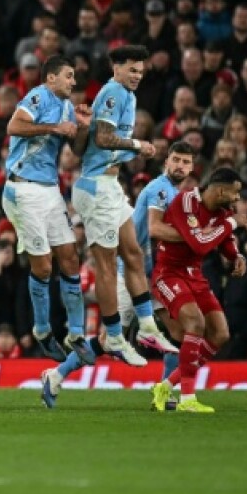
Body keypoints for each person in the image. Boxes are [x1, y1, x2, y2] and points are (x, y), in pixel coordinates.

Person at [42, 141, 194, 408]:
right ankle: (56, 375)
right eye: (176, 160)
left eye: (186, 162)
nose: (180, 166)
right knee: (110, 340)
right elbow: (155, 230)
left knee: (179, 333)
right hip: (131, 276)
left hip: (155, 276)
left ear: (192, 167)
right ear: (166, 161)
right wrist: (197, 237)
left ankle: (163, 391)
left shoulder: (175, 193)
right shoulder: (160, 189)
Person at [70, 45, 175, 367]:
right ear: (116, 68)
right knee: (105, 264)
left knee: (134, 252)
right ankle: (113, 335)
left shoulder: (127, 96)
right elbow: (103, 138)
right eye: (131, 69)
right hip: (95, 187)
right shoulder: (113, 92)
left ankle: (145, 326)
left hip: (110, 186)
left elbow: (84, 144)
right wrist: (137, 145)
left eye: (140, 71)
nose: (136, 76)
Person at [2, 55, 94, 363]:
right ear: (51, 78)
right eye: (68, 76)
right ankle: (42, 331)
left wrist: (81, 127)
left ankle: (77, 334)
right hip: (23, 187)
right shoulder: (39, 96)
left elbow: (77, 151)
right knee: (43, 267)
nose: (73, 82)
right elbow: (13, 126)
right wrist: (56, 127)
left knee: (70, 258)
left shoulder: (68, 107)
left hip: (50, 189)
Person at [148, 168, 247, 414]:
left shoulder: (223, 212)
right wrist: (232, 223)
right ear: (221, 190)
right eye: (235, 193)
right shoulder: (186, 202)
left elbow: (223, 239)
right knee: (195, 323)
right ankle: (187, 398)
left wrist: (236, 256)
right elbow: (200, 244)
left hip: (195, 276)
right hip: (168, 274)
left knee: (220, 333)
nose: (237, 199)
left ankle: (165, 386)